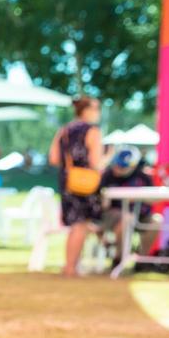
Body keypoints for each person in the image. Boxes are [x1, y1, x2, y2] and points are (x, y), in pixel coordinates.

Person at [48, 95, 105, 276]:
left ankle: (71, 264)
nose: (98, 113)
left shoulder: (64, 131)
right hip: (86, 183)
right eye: (96, 109)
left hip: (68, 181)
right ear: (86, 110)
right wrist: (108, 157)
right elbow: (96, 163)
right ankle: (71, 267)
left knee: (76, 225)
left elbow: (54, 159)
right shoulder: (92, 131)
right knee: (81, 225)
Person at [99, 145, 154, 264]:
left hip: (140, 215)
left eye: (123, 167)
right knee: (126, 219)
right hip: (114, 215)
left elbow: (153, 199)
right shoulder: (107, 175)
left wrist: (140, 198)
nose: (118, 169)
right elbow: (102, 205)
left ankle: (142, 260)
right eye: (116, 165)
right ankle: (119, 258)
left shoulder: (143, 177)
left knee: (156, 221)